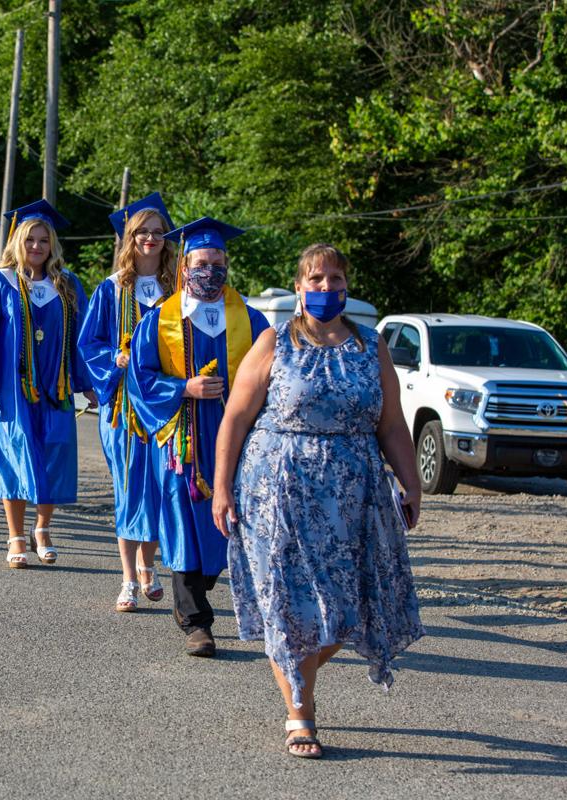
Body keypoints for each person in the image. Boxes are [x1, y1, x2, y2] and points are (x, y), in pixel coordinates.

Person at [211, 244, 424, 759]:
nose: (326, 288)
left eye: (334, 278)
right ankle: (299, 714)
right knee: (287, 604)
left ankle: (297, 674)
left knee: (347, 608)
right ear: (300, 286)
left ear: (346, 284)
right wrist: (221, 488)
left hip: (352, 498)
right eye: (315, 279)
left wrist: (411, 482)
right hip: (278, 492)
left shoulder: (371, 347)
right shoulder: (274, 342)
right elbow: (236, 418)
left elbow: (391, 424)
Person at [126, 217, 270, 656]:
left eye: (218, 262)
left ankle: (202, 590)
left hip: (234, 438)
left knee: (225, 525)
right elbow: (139, 379)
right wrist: (182, 388)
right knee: (183, 521)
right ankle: (195, 622)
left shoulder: (252, 319)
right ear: (184, 267)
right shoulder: (160, 320)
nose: (210, 271)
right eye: (201, 263)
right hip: (181, 440)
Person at [0, 199, 96, 568]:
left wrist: (86, 382)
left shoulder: (67, 284)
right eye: (30, 239)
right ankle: (16, 535)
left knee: (54, 452)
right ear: (17, 241)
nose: (36, 247)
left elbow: (80, 337)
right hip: (10, 387)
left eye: (43, 240)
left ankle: (43, 528)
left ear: (52, 244)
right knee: (16, 454)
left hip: (56, 386)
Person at [79, 192, 176, 611]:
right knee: (127, 486)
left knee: (156, 484)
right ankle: (127, 580)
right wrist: (113, 360)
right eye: (142, 232)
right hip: (121, 406)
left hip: (164, 406)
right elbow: (90, 342)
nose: (150, 239)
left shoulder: (178, 288)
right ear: (129, 238)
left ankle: (148, 568)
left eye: (157, 232)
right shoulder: (111, 289)